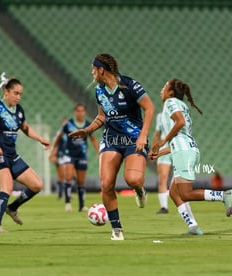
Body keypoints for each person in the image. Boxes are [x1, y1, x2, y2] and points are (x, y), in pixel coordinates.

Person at [69, 53, 155, 240]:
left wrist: (143, 135)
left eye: (93, 68)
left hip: (133, 139)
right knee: (106, 184)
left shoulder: (130, 85)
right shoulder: (100, 91)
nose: (91, 72)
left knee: (132, 179)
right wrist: (87, 130)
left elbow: (149, 108)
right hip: (111, 139)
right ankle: (116, 229)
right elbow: (102, 116)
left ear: (101, 69)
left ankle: (139, 190)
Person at [150, 79, 232, 235]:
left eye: (165, 87)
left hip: (184, 153)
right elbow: (180, 138)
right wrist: (159, 153)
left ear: (171, 92)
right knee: (174, 193)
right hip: (187, 150)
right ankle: (193, 226)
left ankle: (224, 195)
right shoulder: (183, 106)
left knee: (185, 194)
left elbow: (180, 122)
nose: (161, 90)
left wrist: (163, 140)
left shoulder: (170, 102)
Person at [0, 73, 50, 233]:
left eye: (20, 94)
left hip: (12, 156)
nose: (18, 97)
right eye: (16, 93)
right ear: (6, 92)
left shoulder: (19, 111)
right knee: (7, 186)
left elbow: (25, 128)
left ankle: (12, 208)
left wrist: (40, 138)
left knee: (37, 185)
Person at [51, 104, 99, 212]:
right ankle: (67, 203)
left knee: (81, 182)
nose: (80, 113)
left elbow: (93, 139)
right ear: (75, 112)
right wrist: (53, 150)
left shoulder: (87, 125)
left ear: (85, 112)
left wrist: (98, 151)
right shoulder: (68, 124)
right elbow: (59, 137)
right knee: (68, 177)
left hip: (82, 156)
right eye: (78, 111)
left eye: (82, 111)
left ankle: (81, 206)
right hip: (69, 154)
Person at [151, 112, 171, 214]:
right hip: (164, 149)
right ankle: (164, 207)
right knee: (163, 177)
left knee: (181, 177)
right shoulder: (160, 116)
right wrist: (154, 150)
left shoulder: (180, 112)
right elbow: (157, 133)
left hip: (178, 146)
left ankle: (185, 204)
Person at [49, 117, 68, 200]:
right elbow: (55, 145)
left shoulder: (71, 132)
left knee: (70, 175)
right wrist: (53, 155)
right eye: (64, 123)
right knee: (61, 176)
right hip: (60, 155)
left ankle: (67, 193)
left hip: (70, 155)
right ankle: (60, 194)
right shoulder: (59, 133)